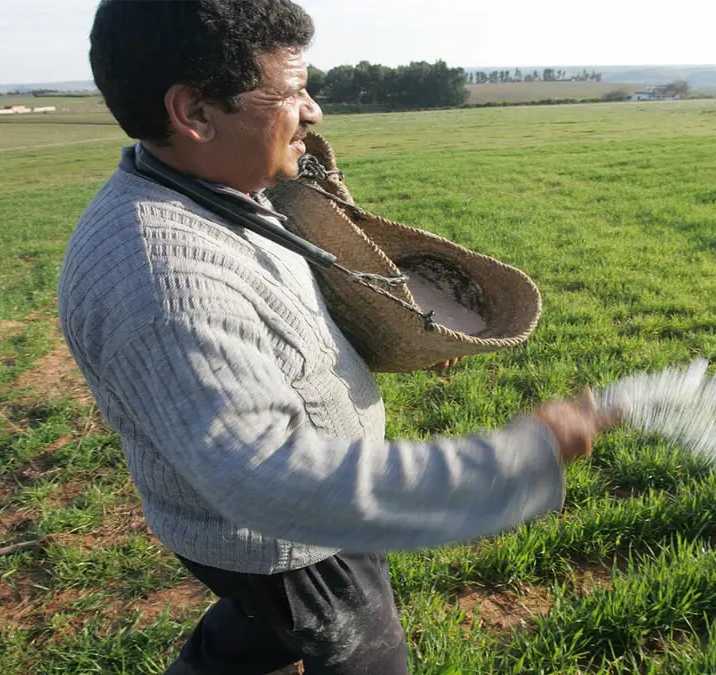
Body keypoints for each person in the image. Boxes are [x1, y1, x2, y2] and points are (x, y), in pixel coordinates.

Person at [61, 1, 618, 673]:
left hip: (258, 531)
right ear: (195, 113)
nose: (315, 109)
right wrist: (511, 459)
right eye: (293, 91)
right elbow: (273, 477)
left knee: (269, 621)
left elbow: (276, 304)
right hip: (291, 538)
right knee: (353, 646)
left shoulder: (214, 187)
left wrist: (398, 330)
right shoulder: (164, 280)